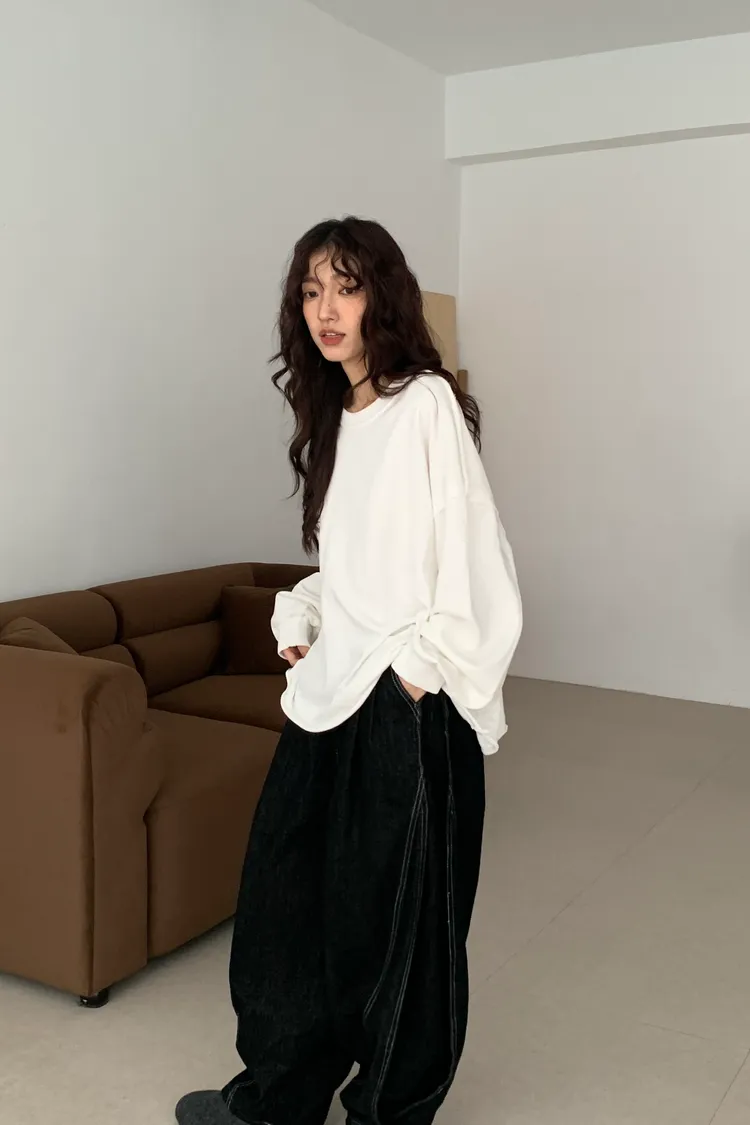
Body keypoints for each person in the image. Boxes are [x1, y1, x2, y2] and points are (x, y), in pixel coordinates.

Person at [176, 217, 522, 1125]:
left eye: (346, 286)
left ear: (383, 296)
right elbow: (359, 565)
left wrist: (418, 671)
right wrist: (308, 617)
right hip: (333, 693)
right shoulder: (338, 417)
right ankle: (279, 1097)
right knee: (285, 900)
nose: (326, 309)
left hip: (409, 700)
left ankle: (386, 1112)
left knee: (402, 929)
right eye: (311, 291)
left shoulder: (426, 404)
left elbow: (473, 557)